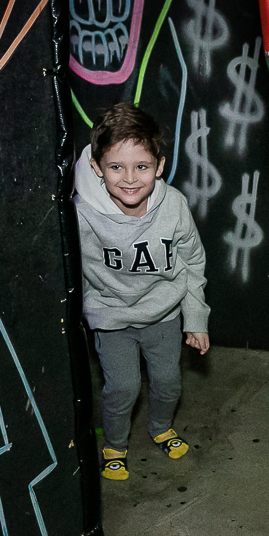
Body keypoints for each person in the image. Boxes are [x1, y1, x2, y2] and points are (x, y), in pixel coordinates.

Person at [75, 103, 210, 482]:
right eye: (116, 167)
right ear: (97, 167)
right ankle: (115, 447)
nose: (130, 178)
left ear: (160, 166)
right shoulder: (82, 214)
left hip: (163, 315)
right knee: (124, 386)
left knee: (168, 382)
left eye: (142, 167)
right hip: (110, 316)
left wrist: (196, 319)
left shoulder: (175, 206)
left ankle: (161, 427)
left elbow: (192, 264)